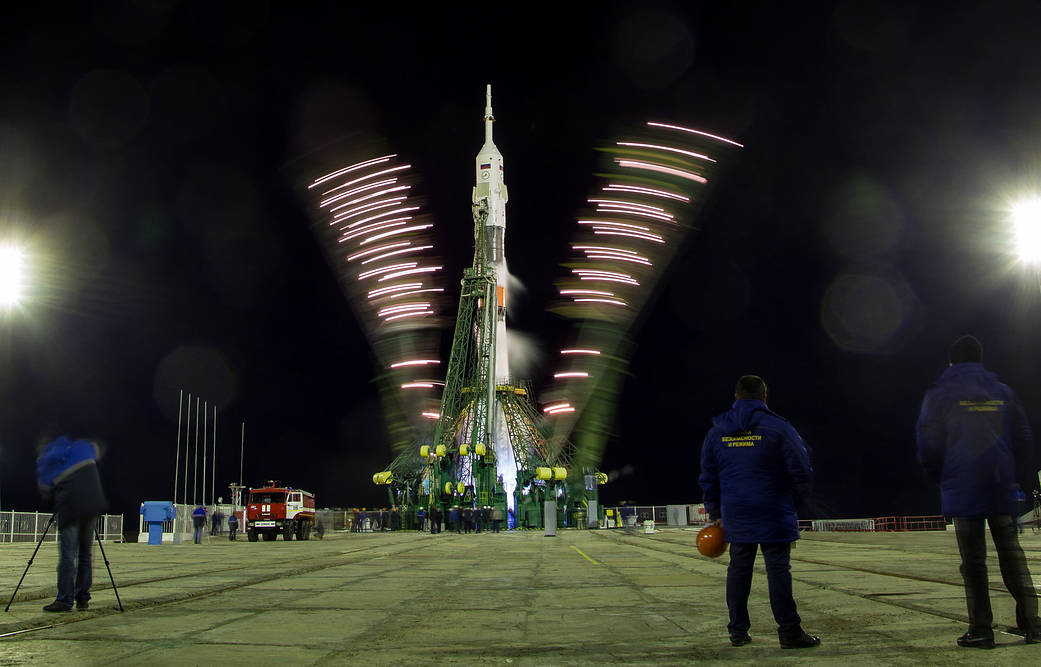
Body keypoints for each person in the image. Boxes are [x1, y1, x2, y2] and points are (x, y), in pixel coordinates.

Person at [916, 335, 1041, 648]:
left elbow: (929, 443)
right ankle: (1033, 624)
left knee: (973, 562)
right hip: (1000, 485)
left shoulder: (940, 393)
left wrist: (942, 477)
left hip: (964, 486)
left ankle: (982, 629)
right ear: (980, 360)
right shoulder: (1003, 391)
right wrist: (1013, 475)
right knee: (1012, 556)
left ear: (952, 362)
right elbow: (1024, 438)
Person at [698, 375, 819, 649]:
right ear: (765, 398)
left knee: (739, 569)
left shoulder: (717, 431)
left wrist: (715, 511)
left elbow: (708, 475)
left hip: (737, 513)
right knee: (778, 569)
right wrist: (796, 503)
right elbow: (802, 469)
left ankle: (737, 631)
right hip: (774, 509)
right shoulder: (779, 428)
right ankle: (789, 632)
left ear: (736, 396)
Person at [36, 435, 107, 612]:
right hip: (92, 504)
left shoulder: (46, 459)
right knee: (85, 555)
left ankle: (64, 600)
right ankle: (83, 598)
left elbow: (45, 491)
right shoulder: (83, 447)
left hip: (71, 506)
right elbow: (98, 449)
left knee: (68, 555)